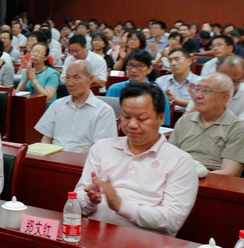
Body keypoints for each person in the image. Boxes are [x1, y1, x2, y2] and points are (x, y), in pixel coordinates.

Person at [74, 82, 198, 237]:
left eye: (142, 118)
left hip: (147, 244)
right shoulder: (102, 147)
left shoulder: (180, 161)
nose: (132, 125)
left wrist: (120, 205)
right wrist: (90, 199)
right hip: (95, 235)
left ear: (161, 118)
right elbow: (76, 200)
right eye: (126, 117)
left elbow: (173, 220)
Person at [169, 73, 244, 176]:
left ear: (225, 97)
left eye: (207, 91)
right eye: (197, 89)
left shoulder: (237, 128)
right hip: (177, 176)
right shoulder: (184, 121)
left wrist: (192, 176)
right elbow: (167, 158)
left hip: (213, 181)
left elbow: (229, 172)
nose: (198, 96)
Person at [35, 60, 117, 152]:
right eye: (67, 77)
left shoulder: (104, 111)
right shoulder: (57, 105)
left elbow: (99, 147)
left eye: (76, 78)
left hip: (84, 159)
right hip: (54, 157)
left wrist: (72, 158)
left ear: (90, 79)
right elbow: (46, 138)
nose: (70, 83)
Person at [106, 49, 171, 125]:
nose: (133, 70)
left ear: (149, 69)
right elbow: (106, 117)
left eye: (140, 66)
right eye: (130, 65)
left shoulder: (159, 94)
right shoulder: (114, 89)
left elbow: (164, 124)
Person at [17, 42, 59, 107]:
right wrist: (26, 79)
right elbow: (17, 93)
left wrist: (34, 80)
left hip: (45, 109)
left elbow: (47, 99)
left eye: (39, 53)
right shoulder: (27, 71)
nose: (35, 54)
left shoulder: (52, 74)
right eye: (33, 51)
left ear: (46, 57)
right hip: (27, 107)